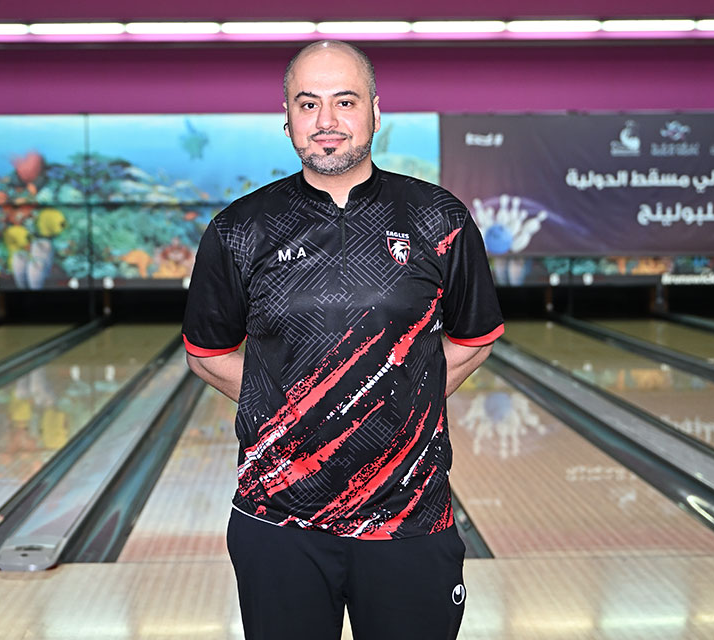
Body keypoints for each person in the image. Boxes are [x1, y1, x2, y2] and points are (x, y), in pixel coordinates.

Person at [182, 40, 504, 640]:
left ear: (376, 113)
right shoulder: (239, 229)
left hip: (409, 515)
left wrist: (398, 399)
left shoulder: (439, 218)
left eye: (345, 101)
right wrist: (295, 411)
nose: (326, 120)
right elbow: (207, 354)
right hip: (278, 519)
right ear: (286, 119)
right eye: (307, 104)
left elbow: (476, 338)